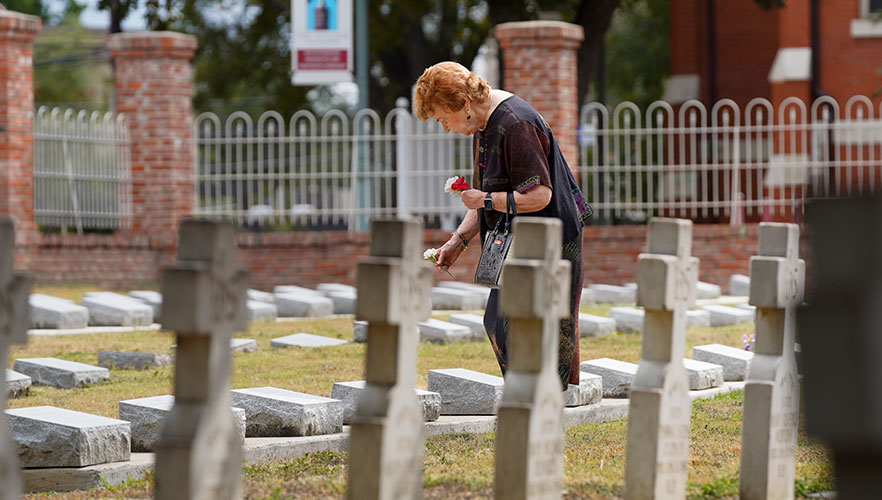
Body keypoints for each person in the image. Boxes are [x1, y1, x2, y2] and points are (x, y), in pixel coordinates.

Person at [412, 61, 591, 390]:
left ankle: (541, 401)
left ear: (464, 104)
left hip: (552, 236)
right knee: (500, 322)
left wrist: (486, 201)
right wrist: (457, 242)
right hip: (519, 237)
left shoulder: (516, 122)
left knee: (521, 324)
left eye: (442, 118)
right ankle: (528, 397)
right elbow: (484, 194)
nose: (445, 127)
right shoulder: (480, 124)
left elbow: (539, 194)